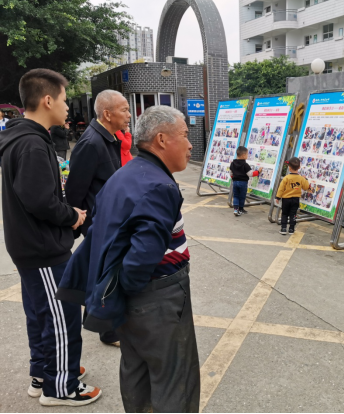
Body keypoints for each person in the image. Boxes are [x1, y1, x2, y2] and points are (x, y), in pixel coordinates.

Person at [56, 106, 200, 412]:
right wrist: (134, 291)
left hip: (129, 299)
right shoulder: (160, 186)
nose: (190, 145)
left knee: (136, 369)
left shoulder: (125, 174)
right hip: (158, 297)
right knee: (175, 378)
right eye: (185, 135)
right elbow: (140, 260)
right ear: (162, 140)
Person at [0, 68, 100, 406]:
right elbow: (40, 200)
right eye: (63, 99)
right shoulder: (31, 143)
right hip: (41, 247)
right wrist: (73, 216)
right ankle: (61, 386)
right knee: (62, 315)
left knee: (42, 313)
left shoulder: (25, 137)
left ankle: (45, 373)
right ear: (47, 100)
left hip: (31, 244)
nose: (67, 106)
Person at [65, 89, 130, 346]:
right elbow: (75, 190)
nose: (128, 115)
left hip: (111, 220)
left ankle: (104, 323)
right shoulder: (91, 143)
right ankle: (108, 331)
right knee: (105, 274)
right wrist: (78, 224)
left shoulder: (109, 138)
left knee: (106, 273)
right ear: (107, 114)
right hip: (99, 223)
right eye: (124, 110)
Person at [276, 157, 309, 235]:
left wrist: (278, 197)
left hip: (286, 199)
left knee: (284, 214)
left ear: (289, 168)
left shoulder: (286, 178)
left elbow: (281, 188)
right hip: (296, 199)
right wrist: (306, 179)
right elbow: (306, 187)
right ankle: (291, 229)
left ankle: (283, 228)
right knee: (293, 214)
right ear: (299, 167)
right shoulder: (301, 178)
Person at [229, 146, 260, 216]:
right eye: (247, 154)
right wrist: (258, 171)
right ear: (243, 155)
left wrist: (234, 178)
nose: (247, 156)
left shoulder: (232, 163)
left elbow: (231, 173)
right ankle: (240, 209)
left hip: (235, 182)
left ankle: (235, 209)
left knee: (236, 196)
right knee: (242, 196)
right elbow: (251, 174)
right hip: (243, 183)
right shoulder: (245, 165)